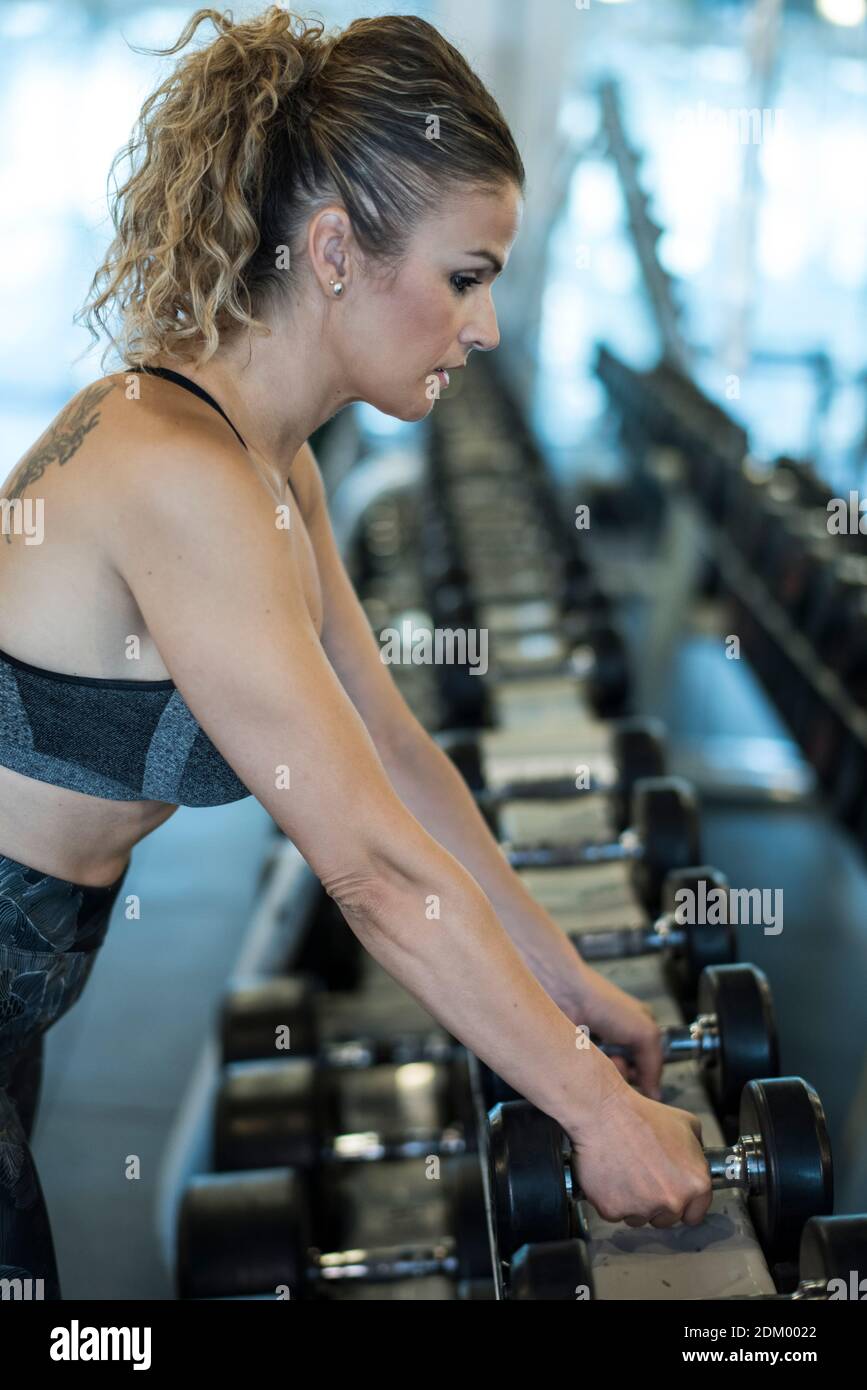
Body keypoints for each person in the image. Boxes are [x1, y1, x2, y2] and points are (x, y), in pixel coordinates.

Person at [0, 6, 711, 1298]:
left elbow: (393, 755)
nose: (486, 327)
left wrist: (565, 984)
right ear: (333, 251)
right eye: (467, 276)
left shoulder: (270, 464)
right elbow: (372, 873)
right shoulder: (179, 471)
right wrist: (597, 1114)